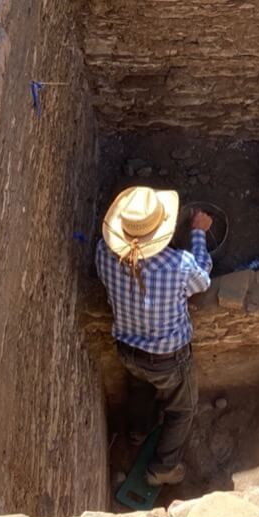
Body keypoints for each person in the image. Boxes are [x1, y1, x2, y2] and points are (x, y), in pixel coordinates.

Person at [95, 186, 213, 486]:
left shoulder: (103, 253)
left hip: (127, 348)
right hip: (169, 359)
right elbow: (202, 280)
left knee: (140, 389)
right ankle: (163, 468)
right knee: (182, 409)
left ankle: (137, 432)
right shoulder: (178, 265)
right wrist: (199, 233)